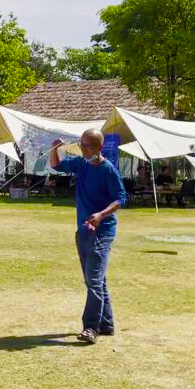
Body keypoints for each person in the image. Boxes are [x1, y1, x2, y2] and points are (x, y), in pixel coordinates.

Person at [50, 130, 126, 344]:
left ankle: (91, 328)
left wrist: (101, 215)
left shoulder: (108, 171)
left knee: (93, 279)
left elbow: (121, 199)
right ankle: (107, 324)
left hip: (102, 231)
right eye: (81, 145)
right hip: (83, 230)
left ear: (99, 148)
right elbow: (56, 165)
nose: (83, 150)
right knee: (96, 279)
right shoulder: (81, 164)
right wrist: (55, 149)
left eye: (87, 146)